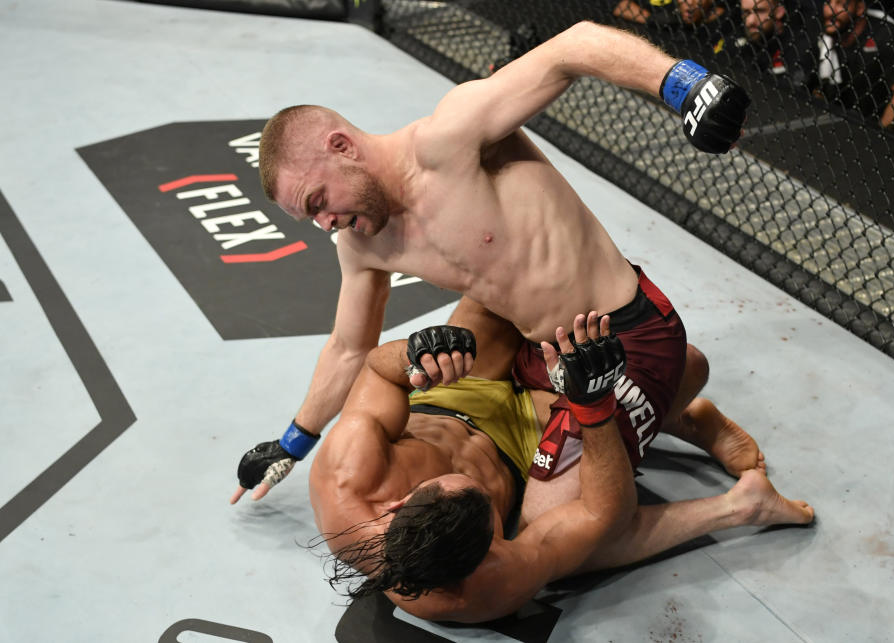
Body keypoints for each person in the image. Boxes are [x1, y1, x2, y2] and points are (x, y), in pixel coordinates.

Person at [230, 20, 750, 504]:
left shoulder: (448, 140)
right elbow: (349, 348)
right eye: (310, 219)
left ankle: (720, 471)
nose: (324, 223)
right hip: (540, 355)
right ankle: (682, 403)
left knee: (552, 526)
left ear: (341, 146)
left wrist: (683, 85)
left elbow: (573, 47)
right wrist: (291, 444)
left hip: (625, 335)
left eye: (318, 202)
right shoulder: (363, 245)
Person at [309, 299, 814, 622]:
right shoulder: (484, 585)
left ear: (397, 504)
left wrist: (416, 355)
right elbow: (602, 515)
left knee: (498, 285)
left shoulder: (348, 479)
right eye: (487, 502)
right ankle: (734, 494)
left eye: (454, 481)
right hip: (524, 447)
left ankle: (678, 419)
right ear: (484, 550)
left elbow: (376, 375)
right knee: (689, 366)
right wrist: (593, 405)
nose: (471, 475)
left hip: (454, 391)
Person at [815, 0, 894, 129]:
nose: (830, 11)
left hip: (875, 127)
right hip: (837, 122)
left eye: (842, 4)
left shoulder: (886, 34)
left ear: (859, 8)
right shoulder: (826, 32)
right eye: (828, 2)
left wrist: (879, 135)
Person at [734, 0, 819, 90]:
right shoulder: (738, 36)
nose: (750, 21)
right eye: (746, 12)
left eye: (760, 11)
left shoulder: (800, 47)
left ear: (779, 11)